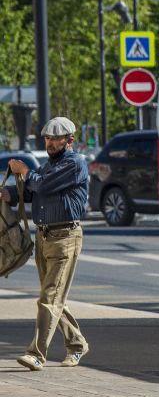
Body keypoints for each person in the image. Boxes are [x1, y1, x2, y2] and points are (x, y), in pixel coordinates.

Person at [2, 117, 91, 371]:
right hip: (44, 237)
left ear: (69, 140)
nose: (51, 143)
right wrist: (7, 193)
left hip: (65, 238)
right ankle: (76, 344)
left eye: (56, 139)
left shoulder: (74, 164)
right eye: (48, 139)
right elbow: (31, 191)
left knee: (49, 297)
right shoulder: (47, 166)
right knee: (52, 297)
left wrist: (25, 173)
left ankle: (37, 354)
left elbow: (43, 184)